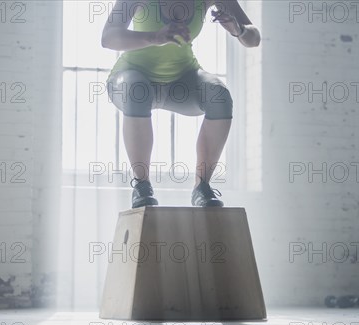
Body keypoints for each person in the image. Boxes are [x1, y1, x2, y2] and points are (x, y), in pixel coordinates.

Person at [102, 0, 260, 208]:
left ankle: (202, 187)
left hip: (180, 82)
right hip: (131, 78)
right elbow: (108, 37)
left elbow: (254, 38)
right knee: (137, 90)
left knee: (218, 96)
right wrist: (154, 37)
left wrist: (238, 30)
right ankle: (142, 185)